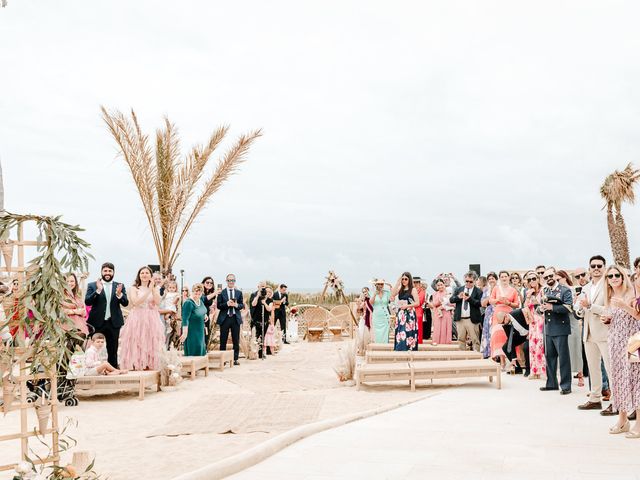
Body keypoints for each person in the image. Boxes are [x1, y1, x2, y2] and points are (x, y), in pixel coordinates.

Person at [602, 265, 640, 437]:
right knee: (618, 380)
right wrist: (606, 319)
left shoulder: (632, 294)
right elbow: (613, 318)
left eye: (618, 275)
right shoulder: (609, 296)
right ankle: (622, 420)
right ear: (607, 280)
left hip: (632, 343)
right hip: (615, 343)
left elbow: (637, 316)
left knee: (635, 381)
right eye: (611, 276)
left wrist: (625, 306)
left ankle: (639, 424)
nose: (615, 278)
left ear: (624, 277)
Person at [576, 256, 614, 413]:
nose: (596, 268)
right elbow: (580, 308)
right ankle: (594, 399)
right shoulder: (585, 288)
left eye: (599, 265)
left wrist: (591, 306)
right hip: (588, 333)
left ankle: (616, 401)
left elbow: (609, 309)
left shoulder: (609, 285)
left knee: (611, 368)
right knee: (593, 368)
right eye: (593, 266)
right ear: (589, 269)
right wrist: (579, 309)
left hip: (605, 332)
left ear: (604, 267)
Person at [119, 266, 165, 371]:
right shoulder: (134, 288)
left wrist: (153, 288)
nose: (144, 275)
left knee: (150, 340)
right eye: (142, 273)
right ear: (139, 275)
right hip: (137, 317)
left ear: (150, 275)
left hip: (151, 318)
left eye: (147, 273)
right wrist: (149, 290)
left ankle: (148, 364)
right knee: (137, 339)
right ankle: (136, 364)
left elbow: (158, 302)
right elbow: (135, 302)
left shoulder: (155, 288)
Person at [85, 262, 129, 367]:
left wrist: (119, 295)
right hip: (97, 322)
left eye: (110, 271)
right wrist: (98, 290)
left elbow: (125, 303)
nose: (107, 273)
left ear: (113, 272)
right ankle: (96, 369)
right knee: (95, 348)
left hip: (113, 322)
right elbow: (87, 301)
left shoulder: (119, 286)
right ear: (101, 272)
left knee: (113, 349)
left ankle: (112, 369)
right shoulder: (92, 285)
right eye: (105, 271)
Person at [539, 267, 573, 395]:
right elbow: (540, 307)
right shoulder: (545, 290)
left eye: (550, 276)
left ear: (555, 275)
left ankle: (566, 386)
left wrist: (552, 307)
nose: (549, 279)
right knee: (550, 357)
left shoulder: (565, 290)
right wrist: (541, 309)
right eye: (546, 277)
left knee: (563, 358)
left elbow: (569, 308)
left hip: (560, 327)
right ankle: (551, 384)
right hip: (548, 328)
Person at [488, 271, 520, 364]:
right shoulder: (496, 289)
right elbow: (490, 300)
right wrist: (498, 300)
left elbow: (517, 304)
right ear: (500, 278)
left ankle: (511, 360)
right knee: (498, 337)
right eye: (502, 277)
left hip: (509, 313)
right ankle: (502, 361)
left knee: (508, 336)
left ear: (508, 277)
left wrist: (508, 303)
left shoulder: (513, 290)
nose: (504, 278)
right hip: (497, 313)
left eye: (505, 276)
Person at [450, 271, 483, 351]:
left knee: (475, 340)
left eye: (470, 281)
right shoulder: (459, 289)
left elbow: (480, 304)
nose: (468, 283)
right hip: (460, 319)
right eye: (466, 281)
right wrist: (458, 297)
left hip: (472, 319)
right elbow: (451, 300)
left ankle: (476, 357)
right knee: (461, 339)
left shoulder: (478, 291)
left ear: (475, 281)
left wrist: (470, 299)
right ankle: (462, 357)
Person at [217, 273, 244, 365]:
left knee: (235, 339)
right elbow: (219, 306)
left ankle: (235, 359)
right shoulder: (222, 292)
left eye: (232, 280)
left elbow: (242, 305)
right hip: (225, 318)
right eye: (229, 280)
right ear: (226, 281)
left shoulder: (239, 292)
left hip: (235, 318)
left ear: (235, 281)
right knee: (223, 340)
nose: (231, 282)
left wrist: (236, 305)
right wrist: (227, 304)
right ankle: (223, 359)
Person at [523, 270, 546, 379]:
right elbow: (525, 307)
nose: (532, 281)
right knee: (532, 345)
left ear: (538, 279)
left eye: (533, 278)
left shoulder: (543, 290)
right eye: (529, 279)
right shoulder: (528, 292)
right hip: (532, 321)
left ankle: (543, 371)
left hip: (541, 320)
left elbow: (544, 304)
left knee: (541, 345)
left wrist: (535, 300)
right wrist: (528, 296)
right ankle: (534, 371)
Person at [392, 272, 419, 351]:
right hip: (401, 314)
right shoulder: (400, 289)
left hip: (409, 314)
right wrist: (397, 282)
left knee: (408, 332)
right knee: (400, 332)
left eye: (406, 279)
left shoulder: (413, 289)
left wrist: (407, 306)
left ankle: (408, 348)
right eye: (402, 279)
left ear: (409, 279)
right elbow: (393, 294)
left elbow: (417, 303)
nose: (404, 280)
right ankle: (400, 348)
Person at [180, 283, 207, 357]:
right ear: (192, 292)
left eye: (199, 293)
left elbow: (202, 310)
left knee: (200, 347)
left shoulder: (200, 301)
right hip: (192, 331)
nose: (197, 295)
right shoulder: (188, 303)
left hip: (200, 330)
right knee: (194, 348)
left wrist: (205, 315)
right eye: (196, 293)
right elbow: (185, 319)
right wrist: (185, 333)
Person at [250, 281, 273, 358]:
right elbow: (253, 304)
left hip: (265, 321)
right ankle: (254, 352)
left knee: (262, 337)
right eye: (261, 286)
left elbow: (269, 309)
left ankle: (261, 353)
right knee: (255, 337)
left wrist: (264, 301)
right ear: (258, 287)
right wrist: (257, 296)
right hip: (256, 320)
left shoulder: (269, 299)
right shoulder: (254, 295)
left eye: (264, 286)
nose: (263, 288)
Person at [430, 279, 453, 345]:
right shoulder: (435, 294)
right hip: (438, 312)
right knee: (437, 328)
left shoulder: (448, 293)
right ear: (436, 286)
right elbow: (434, 304)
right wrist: (440, 301)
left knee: (445, 328)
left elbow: (452, 303)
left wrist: (445, 303)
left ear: (444, 284)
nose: (440, 286)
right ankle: (436, 342)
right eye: (438, 285)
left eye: (441, 285)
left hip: (446, 312)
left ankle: (446, 343)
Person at [480, 272, 498, 358]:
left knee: (495, 332)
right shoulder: (486, 290)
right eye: (489, 279)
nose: (491, 280)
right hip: (488, 312)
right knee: (488, 331)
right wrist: (490, 296)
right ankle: (488, 353)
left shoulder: (499, 289)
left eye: (493, 279)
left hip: (497, 312)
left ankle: (496, 354)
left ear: (496, 279)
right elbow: (483, 304)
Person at [159, 280, 180, 348]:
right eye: (170, 287)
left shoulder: (176, 294)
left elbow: (174, 302)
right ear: (168, 288)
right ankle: (168, 326)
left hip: (171, 307)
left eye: (173, 288)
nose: (171, 289)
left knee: (166, 317)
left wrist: (176, 299)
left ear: (176, 288)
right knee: (166, 317)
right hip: (167, 307)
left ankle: (169, 327)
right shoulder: (167, 293)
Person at [371, 279, 392, 343]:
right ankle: (377, 347)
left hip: (385, 315)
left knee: (385, 332)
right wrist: (375, 294)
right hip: (376, 316)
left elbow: (392, 299)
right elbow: (371, 302)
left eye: (382, 284)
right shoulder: (372, 292)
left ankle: (385, 348)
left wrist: (391, 287)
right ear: (376, 285)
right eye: (379, 284)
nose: (380, 285)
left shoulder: (387, 292)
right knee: (376, 332)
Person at [201, 277, 217, 348]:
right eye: (207, 282)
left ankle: (205, 350)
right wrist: (215, 293)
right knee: (201, 334)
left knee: (206, 334)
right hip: (200, 316)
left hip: (207, 317)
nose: (209, 284)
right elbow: (204, 299)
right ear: (203, 283)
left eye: (211, 283)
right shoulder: (200, 292)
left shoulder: (210, 293)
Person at [413, 277, 425, 344]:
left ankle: (418, 341)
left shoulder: (422, 291)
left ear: (419, 283)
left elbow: (419, 302)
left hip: (418, 310)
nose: (415, 284)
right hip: (410, 309)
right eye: (414, 282)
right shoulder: (411, 290)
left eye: (417, 282)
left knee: (418, 326)